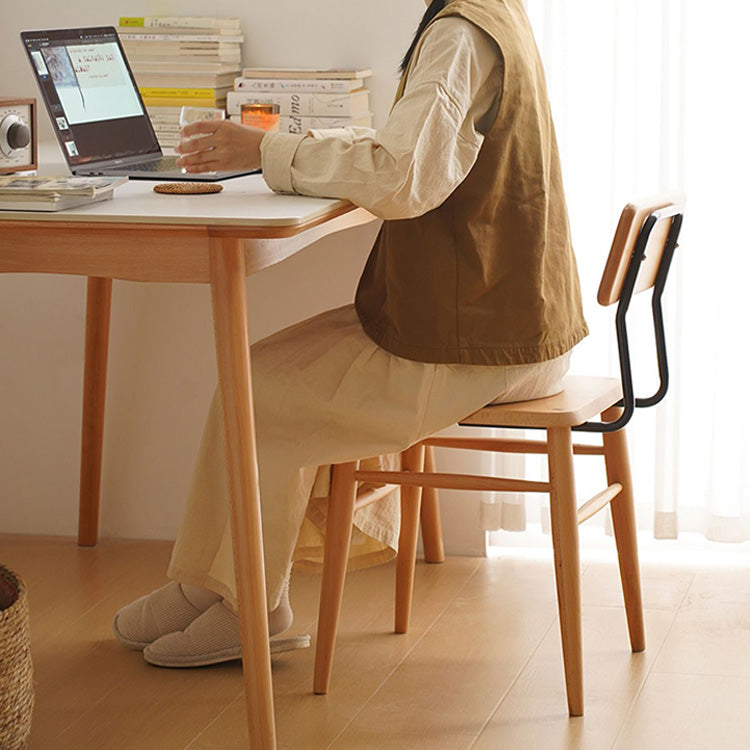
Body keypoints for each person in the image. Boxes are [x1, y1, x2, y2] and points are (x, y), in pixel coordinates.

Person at [113, 0, 588, 668]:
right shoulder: (493, 12)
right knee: (251, 377)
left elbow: (398, 177)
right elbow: (414, 159)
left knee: (258, 395)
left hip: (486, 341)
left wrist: (268, 150)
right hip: (508, 318)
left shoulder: (460, 33)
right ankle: (206, 584)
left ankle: (252, 608)